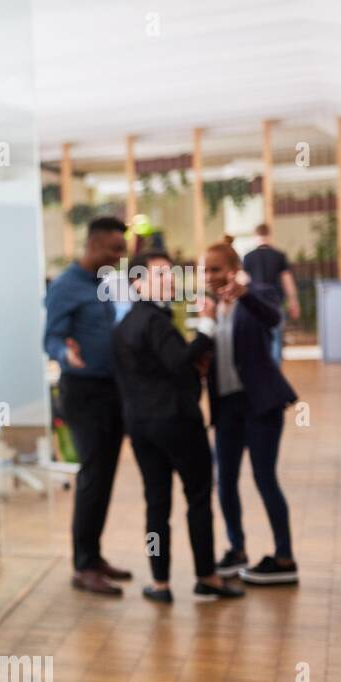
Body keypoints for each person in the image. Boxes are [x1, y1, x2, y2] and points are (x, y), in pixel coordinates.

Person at [111, 252, 243, 602]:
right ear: (137, 282)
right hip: (177, 424)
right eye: (159, 276)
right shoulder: (155, 321)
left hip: (141, 428)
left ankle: (160, 582)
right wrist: (207, 326)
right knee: (198, 499)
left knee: (156, 504)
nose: (169, 281)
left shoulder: (124, 325)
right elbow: (178, 362)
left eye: (171, 275)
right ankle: (207, 576)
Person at [43, 216, 133, 596]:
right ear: (93, 244)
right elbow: (51, 338)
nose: (119, 256)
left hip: (113, 390)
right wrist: (67, 352)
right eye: (114, 249)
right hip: (83, 392)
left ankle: (93, 556)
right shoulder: (66, 286)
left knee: (105, 474)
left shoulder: (104, 284)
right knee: (93, 475)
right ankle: (83, 566)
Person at [202, 242, 300, 585]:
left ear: (232, 268)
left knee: (264, 478)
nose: (209, 276)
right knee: (224, 482)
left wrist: (244, 295)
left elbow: (273, 318)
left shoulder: (257, 294)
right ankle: (237, 549)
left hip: (260, 403)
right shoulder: (210, 308)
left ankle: (285, 557)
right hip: (227, 407)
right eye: (205, 270)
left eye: (215, 269)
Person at [242, 223, 301, 364]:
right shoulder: (279, 256)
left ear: (256, 236)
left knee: (256, 338)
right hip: (275, 303)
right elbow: (287, 281)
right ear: (269, 235)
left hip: (254, 304)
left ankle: (260, 369)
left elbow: (244, 281)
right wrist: (293, 302)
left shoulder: (248, 257)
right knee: (276, 339)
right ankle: (275, 371)